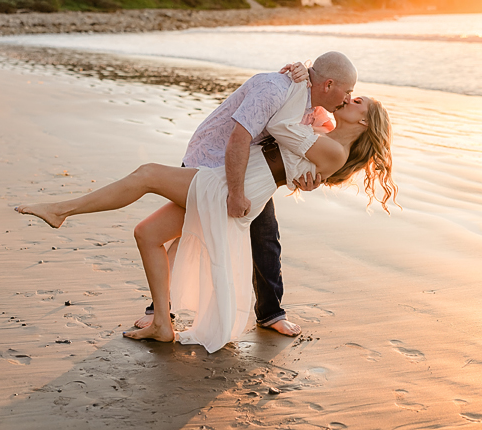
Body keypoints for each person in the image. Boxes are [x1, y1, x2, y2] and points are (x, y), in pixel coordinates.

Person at [16, 55, 397, 353]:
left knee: (147, 174)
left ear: (363, 123)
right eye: (349, 92)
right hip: (227, 182)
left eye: (355, 100)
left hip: (228, 187)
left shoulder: (333, 151)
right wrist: (302, 72)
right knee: (147, 234)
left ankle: (62, 210)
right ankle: (161, 323)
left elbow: (281, 126)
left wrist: (299, 82)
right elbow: (304, 118)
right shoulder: (324, 128)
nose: (348, 98)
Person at [135, 53, 350, 338]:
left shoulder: (315, 110)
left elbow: (314, 150)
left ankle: (271, 314)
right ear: (329, 84)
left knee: (266, 239)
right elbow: (239, 139)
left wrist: (313, 180)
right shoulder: (276, 87)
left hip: (249, 174)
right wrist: (236, 193)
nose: (349, 98)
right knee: (186, 232)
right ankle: (159, 310)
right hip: (209, 160)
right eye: (348, 91)